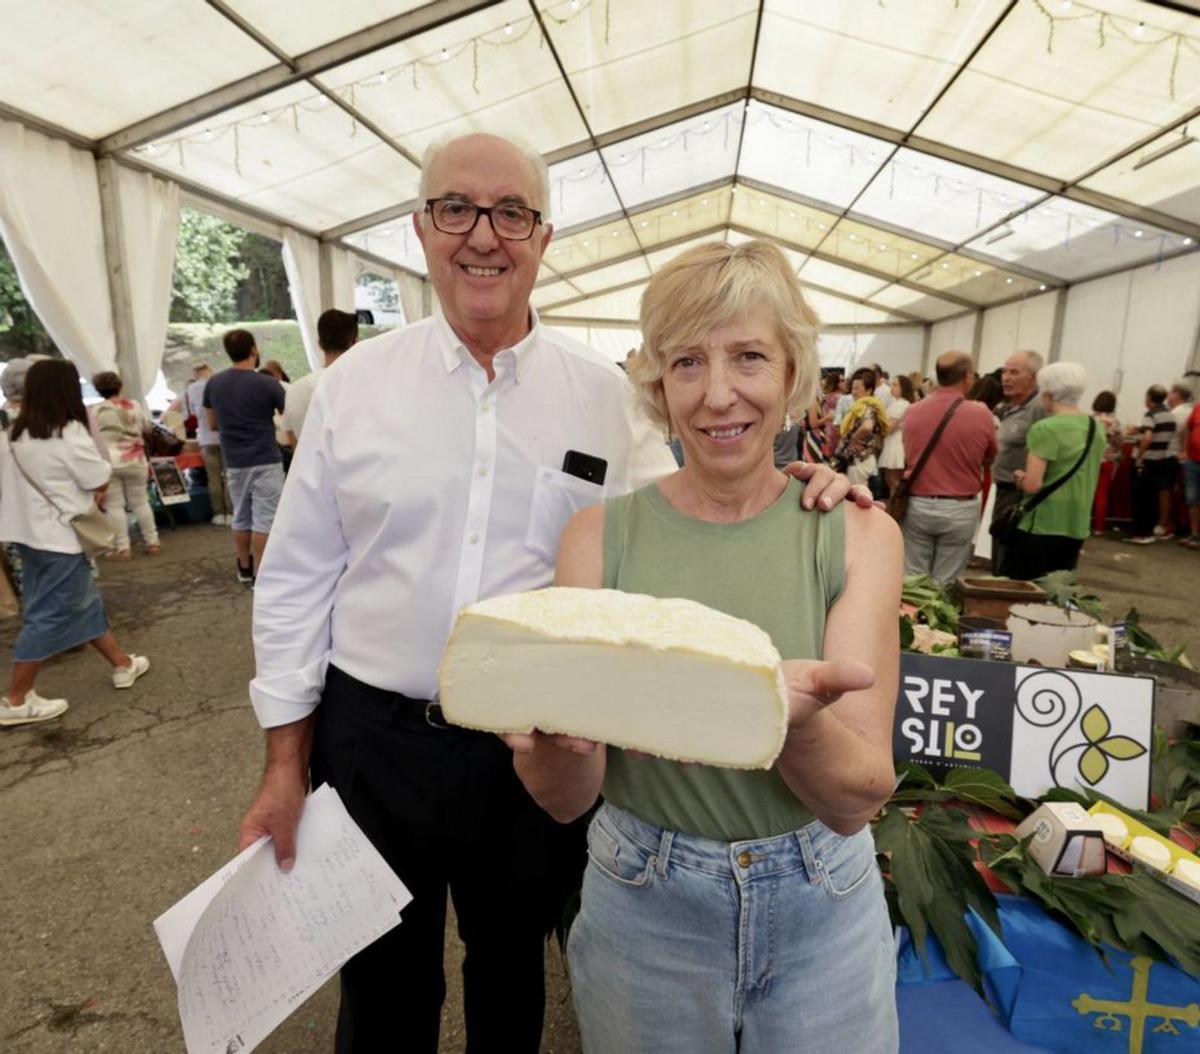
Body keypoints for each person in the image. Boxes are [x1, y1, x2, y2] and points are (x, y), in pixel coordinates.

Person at [235, 133, 867, 1054]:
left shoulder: (604, 398)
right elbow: (294, 582)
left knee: (512, 970)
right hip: (370, 739)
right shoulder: (354, 387)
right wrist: (284, 769)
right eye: (456, 208)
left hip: (532, 747)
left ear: (544, 235)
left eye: (511, 213)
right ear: (421, 228)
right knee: (378, 983)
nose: (482, 235)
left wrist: (805, 484)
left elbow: (701, 499)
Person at [503, 239, 901, 1053]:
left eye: (748, 357)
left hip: (820, 898)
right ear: (657, 385)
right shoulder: (597, 538)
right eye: (687, 363)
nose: (719, 395)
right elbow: (563, 797)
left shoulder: (856, 531)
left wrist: (777, 716)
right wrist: (548, 741)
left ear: (792, 374)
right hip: (644, 902)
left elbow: (858, 796)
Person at [0, 360, 150, 726]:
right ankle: (16, 699)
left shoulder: (13, 433)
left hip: (26, 536)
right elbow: (98, 476)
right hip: (61, 537)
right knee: (48, 617)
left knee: (79, 603)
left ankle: (122, 663)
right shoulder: (66, 432)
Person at [900, 352, 997, 584]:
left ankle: (913, 618)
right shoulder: (981, 413)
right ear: (967, 376)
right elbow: (990, 456)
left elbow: (909, 452)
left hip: (918, 504)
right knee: (947, 580)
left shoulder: (912, 411)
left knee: (914, 578)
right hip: (960, 506)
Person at [1002, 362, 1105, 580]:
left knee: (1023, 590)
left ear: (1048, 394)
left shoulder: (1045, 428)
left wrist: (1020, 478)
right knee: (1059, 591)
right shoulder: (1096, 427)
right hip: (1076, 521)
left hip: (1040, 523)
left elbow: (1033, 484)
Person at [203, 330, 286, 583]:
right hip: (266, 457)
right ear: (254, 349)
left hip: (235, 459)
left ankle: (244, 566)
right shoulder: (268, 383)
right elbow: (286, 414)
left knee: (241, 514)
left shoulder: (214, 383)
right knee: (265, 517)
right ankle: (262, 573)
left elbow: (212, 423)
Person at [91, 371, 160, 558]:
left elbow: (91, 437)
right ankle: (152, 542)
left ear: (98, 390)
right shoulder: (135, 406)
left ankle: (123, 547)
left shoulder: (94, 411)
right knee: (141, 503)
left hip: (109, 462)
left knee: (114, 506)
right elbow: (147, 428)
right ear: (120, 386)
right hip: (136, 459)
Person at [989, 350, 1046, 572]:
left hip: (1021, 494)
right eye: (1005, 371)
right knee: (999, 557)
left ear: (1033, 377)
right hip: (1004, 490)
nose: (1006, 377)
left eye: (1014, 372)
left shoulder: (1038, 408)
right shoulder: (1010, 407)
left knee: (1009, 561)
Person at [282, 309, 360, 446]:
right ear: (354, 343)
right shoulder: (362, 387)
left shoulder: (296, 390)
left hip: (308, 465)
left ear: (319, 343)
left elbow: (291, 438)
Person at [1129, 384, 1178, 544]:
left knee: (1141, 498)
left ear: (1149, 397)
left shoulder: (1150, 414)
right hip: (1161, 460)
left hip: (1148, 460)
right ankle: (1149, 532)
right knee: (1152, 499)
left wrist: (1139, 457)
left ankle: (1140, 533)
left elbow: (1148, 436)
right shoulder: (1169, 415)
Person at [185, 363, 232, 526]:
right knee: (228, 476)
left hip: (205, 439)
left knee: (213, 478)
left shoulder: (191, 389)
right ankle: (231, 513)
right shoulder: (220, 383)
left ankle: (218, 514)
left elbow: (191, 414)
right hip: (225, 437)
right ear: (209, 371)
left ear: (196, 374)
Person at [833, 366, 889, 491]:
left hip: (859, 460)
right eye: (852, 388)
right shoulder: (865, 406)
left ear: (869, 390)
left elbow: (867, 426)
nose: (853, 392)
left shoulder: (867, 407)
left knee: (856, 494)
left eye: (857, 388)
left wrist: (854, 438)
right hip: (860, 460)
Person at [1089, 390, 1123, 535]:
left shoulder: (1090, 419)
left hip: (1090, 459)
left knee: (1087, 492)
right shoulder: (1114, 422)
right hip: (1107, 459)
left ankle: (1083, 523)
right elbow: (1119, 442)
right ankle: (1098, 527)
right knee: (1102, 494)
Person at [879, 373, 914, 495]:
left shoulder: (901, 404)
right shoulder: (900, 403)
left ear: (903, 388)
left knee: (893, 482)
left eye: (895, 385)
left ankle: (894, 509)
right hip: (895, 443)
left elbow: (888, 428)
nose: (892, 388)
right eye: (892, 384)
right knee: (893, 482)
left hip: (894, 444)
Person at [1181, 397, 1200, 549]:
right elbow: (1187, 427)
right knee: (1192, 499)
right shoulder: (1197, 408)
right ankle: (1194, 535)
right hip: (1193, 460)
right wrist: (1185, 450)